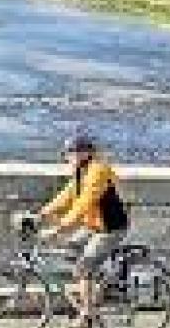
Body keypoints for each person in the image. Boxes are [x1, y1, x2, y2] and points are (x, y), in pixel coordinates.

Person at [38, 135, 130, 328]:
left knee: (83, 266)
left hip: (111, 228)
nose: (68, 157)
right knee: (71, 248)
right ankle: (91, 287)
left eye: (71, 152)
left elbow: (83, 204)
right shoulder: (81, 171)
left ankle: (86, 315)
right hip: (94, 225)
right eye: (67, 153)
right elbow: (67, 196)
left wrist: (58, 229)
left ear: (85, 153)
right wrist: (41, 214)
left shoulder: (98, 172)